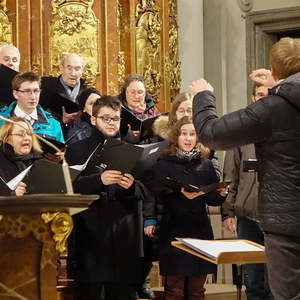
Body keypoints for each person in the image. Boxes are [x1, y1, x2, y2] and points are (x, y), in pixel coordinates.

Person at [189, 37, 300, 300]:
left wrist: (203, 96)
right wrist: (280, 85)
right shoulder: (277, 102)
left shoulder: (270, 109)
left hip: (286, 222)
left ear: (273, 71)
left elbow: (212, 134)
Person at [66, 96, 150, 300]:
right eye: (106, 118)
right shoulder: (78, 149)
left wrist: (132, 187)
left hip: (124, 237)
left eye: (115, 118)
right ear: (93, 120)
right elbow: (69, 189)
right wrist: (99, 180)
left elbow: (145, 191)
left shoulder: (132, 148)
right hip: (91, 238)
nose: (112, 123)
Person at [146, 117, 226, 300]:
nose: (188, 139)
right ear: (176, 136)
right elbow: (157, 192)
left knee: (197, 290)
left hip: (200, 231)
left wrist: (221, 193)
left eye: (192, 134)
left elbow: (212, 199)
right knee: (175, 290)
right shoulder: (164, 163)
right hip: (174, 231)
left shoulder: (205, 164)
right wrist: (179, 193)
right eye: (184, 134)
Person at [222, 82, 273, 300]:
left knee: (279, 281)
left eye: (268, 94)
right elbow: (230, 174)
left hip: (277, 217)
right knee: (253, 281)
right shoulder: (242, 130)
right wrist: (228, 211)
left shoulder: (285, 126)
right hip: (247, 216)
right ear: (253, 97)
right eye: (259, 94)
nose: (263, 98)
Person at [0, 71, 64, 143]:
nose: (33, 97)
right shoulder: (2, 120)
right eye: (27, 91)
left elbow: (61, 152)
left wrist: (60, 154)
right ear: (15, 94)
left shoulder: (54, 124)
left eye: (36, 91)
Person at [40, 53, 87, 126]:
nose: (73, 73)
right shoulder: (47, 88)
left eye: (77, 69)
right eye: (69, 68)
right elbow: (40, 117)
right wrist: (62, 121)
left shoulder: (87, 92)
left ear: (82, 70)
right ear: (61, 68)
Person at [0, 116, 42, 196]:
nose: (26, 138)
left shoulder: (39, 160)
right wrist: (12, 194)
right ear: (7, 138)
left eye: (29, 134)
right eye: (20, 134)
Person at [118, 74, 160, 143]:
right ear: (125, 93)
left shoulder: (153, 110)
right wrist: (127, 134)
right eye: (132, 92)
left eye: (140, 92)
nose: (136, 96)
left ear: (145, 93)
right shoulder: (116, 111)